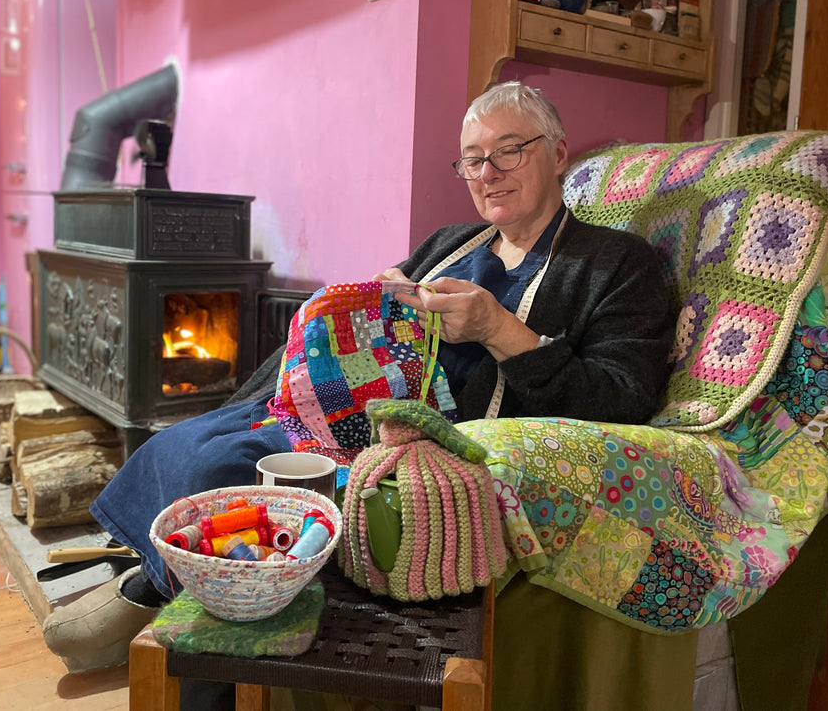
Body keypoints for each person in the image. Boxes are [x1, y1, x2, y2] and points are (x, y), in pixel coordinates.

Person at [42, 81, 675, 679]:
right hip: (350, 407)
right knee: (194, 437)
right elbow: (372, 310)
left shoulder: (617, 263)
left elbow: (623, 397)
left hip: (420, 439)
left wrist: (498, 330)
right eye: (472, 160)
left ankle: (160, 599)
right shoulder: (454, 240)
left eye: (509, 151)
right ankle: (165, 572)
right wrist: (372, 300)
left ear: (559, 152)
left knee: (226, 472)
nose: (488, 173)